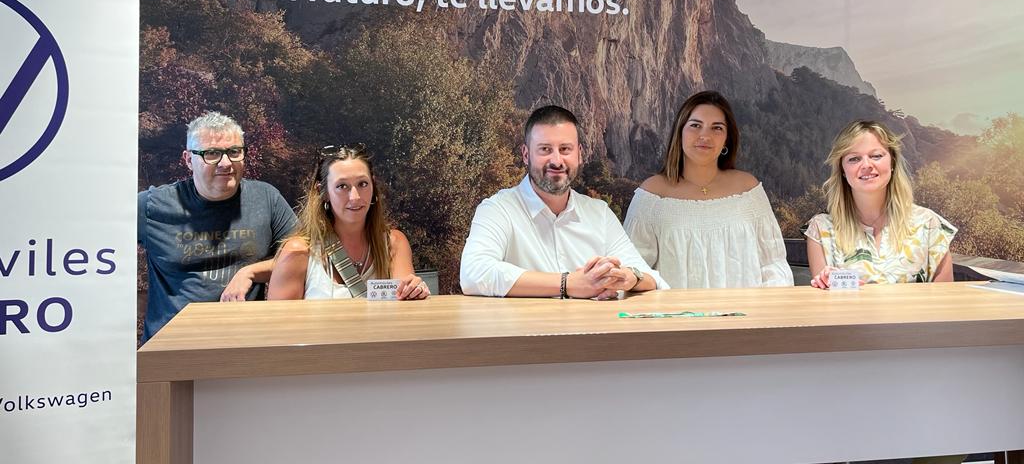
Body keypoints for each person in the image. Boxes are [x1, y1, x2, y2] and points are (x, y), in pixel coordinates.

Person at [460, 105, 668, 298]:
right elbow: (473, 273)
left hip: (590, 335)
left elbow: (651, 279)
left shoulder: (599, 212)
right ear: (526, 154)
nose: (557, 160)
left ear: (579, 154)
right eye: (545, 149)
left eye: (565, 149)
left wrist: (628, 277)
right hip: (523, 335)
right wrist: (567, 283)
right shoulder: (498, 209)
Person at [138, 111, 297, 343]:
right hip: (169, 346)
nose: (226, 163)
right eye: (211, 153)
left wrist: (250, 272)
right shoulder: (151, 206)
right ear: (187, 159)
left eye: (234, 152)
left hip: (244, 343)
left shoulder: (266, 198)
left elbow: (304, 254)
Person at [623, 90, 793, 288]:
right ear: (680, 132)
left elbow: (774, 264)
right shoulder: (652, 195)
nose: (705, 135)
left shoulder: (748, 190)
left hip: (746, 316)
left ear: (727, 139)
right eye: (695, 125)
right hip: (678, 316)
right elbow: (634, 269)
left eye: (717, 128)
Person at [806, 120, 957, 289]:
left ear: (892, 162)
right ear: (842, 169)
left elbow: (945, 302)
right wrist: (825, 283)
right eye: (854, 159)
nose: (866, 165)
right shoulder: (821, 229)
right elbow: (825, 306)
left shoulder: (929, 224)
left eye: (876, 156)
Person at [268, 144, 428, 300]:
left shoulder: (393, 244)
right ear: (323, 192)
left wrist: (414, 291)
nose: (355, 197)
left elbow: (405, 312)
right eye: (342, 186)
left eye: (362, 184)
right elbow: (278, 324)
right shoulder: (299, 251)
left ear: (373, 185)